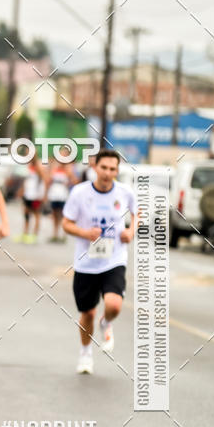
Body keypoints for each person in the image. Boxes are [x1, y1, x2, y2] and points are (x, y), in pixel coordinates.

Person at [62, 149, 136, 374]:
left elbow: (137, 213)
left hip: (114, 259)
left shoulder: (124, 192)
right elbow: (67, 223)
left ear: (117, 170)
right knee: (88, 313)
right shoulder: (80, 192)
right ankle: (85, 353)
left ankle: (107, 322)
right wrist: (85, 233)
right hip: (86, 262)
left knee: (114, 304)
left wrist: (130, 232)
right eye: (104, 168)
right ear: (95, 167)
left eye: (113, 169)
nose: (108, 173)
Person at [44, 149, 77, 241]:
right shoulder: (54, 166)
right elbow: (48, 180)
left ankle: (64, 235)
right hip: (54, 193)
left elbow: (74, 181)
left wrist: (68, 171)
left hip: (64, 194)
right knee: (54, 214)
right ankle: (55, 234)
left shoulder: (69, 167)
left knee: (63, 215)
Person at [18, 156, 45, 243]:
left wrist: (42, 195)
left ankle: (34, 235)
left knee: (36, 214)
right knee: (26, 213)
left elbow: (43, 179)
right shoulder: (29, 166)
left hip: (36, 195)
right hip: (28, 194)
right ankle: (25, 233)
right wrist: (22, 190)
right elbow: (26, 180)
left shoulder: (39, 166)